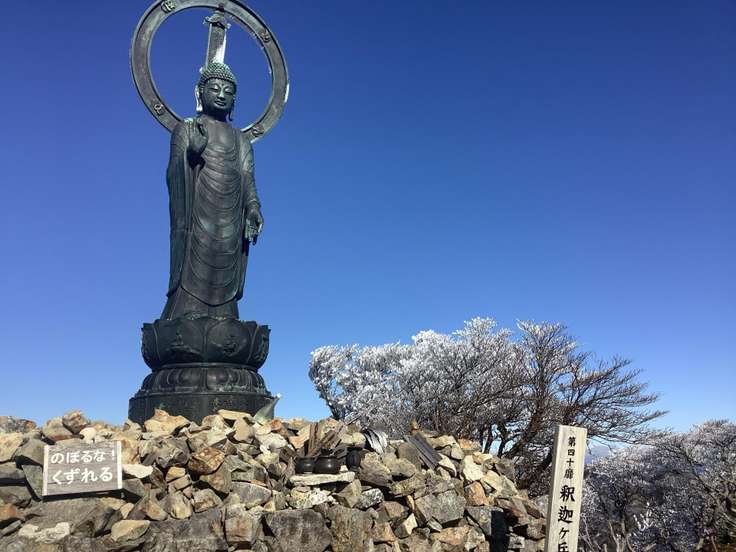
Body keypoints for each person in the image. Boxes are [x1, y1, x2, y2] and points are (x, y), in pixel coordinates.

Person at [161, 62, 263, 320]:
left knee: (225, 277)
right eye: (215, 89)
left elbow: (247, 177)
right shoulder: (187, 129)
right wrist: (191, 153)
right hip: (196, 218)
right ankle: (185, 311)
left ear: (234, 100)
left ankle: (226, 317)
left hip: (230, 219)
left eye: (228, 92)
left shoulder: (241, 140)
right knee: (193, 267)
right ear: (200, 93)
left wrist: (253, 208)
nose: (221, 95)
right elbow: (173, 173)